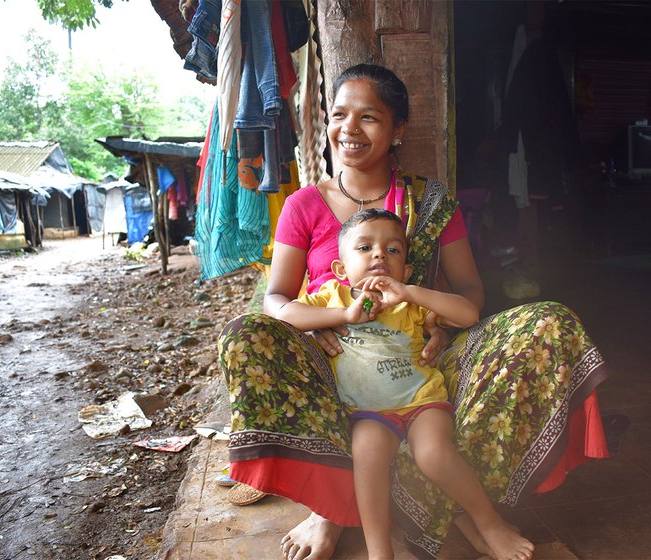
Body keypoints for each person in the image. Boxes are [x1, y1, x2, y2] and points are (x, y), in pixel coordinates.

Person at [219, 63, 610, 560]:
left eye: (369, 117)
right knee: (244, 335)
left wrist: (436, 324)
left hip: (418, 354)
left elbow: (469, 293)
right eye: (339, 115)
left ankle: (466, 509)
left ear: (397, 128)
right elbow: (275, 297)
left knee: (548, 322)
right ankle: (330, 510)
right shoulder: (302, 205)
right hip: (330, 357)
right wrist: (320, 321)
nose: (349, 130)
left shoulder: (430, 201)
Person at [276, 208, 535, 560]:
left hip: (422, 403)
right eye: (364, 248)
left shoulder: (408, 303)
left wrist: (412, 292)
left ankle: (491, 525)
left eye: (393, 250)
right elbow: (286, 313)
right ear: (340, 269)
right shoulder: (332, 299)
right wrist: (343, 316)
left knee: (434, 454)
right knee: (366, 457)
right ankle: (380, 553)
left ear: (406, 270)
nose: (380, 254)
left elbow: (467, 314)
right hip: (368, 413)